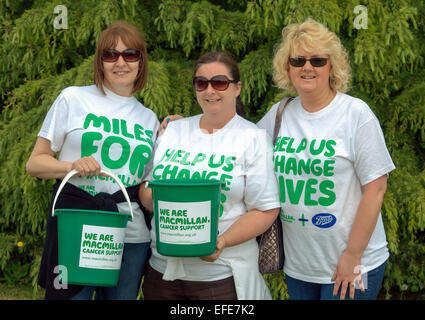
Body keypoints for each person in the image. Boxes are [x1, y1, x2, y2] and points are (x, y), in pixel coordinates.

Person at [256, 18, 396, 300]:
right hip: (300, 267)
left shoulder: (356, 114)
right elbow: (238, 148)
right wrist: (185, 127)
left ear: (331, 66)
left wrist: (352, 256)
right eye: (298, 60)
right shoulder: (279, 114)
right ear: (288, 67)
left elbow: (376, 189)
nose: (307, 67)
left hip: (351, 264)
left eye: (318, 60)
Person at [26, 21, 159, 300]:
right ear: (100, 62)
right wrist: (71, 166)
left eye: (130, 54)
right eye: (110, 55)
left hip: (130, 235)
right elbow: (35, 164)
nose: (120, 62)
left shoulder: (149, 119)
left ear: (141, 62)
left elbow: (147, 188)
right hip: (77, 226)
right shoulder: (73, 98)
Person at [139, 51, 281, 300]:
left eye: (219, 82)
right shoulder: (173, 131)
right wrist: (157, 196)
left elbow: (266, 209)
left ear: (237, 88)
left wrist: (222, 241)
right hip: (162, 273)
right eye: (201, 83)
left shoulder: (253, 138)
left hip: (220, 278)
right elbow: (147, 194)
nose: (209, 90)